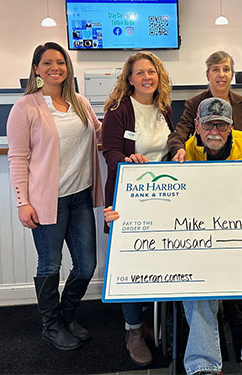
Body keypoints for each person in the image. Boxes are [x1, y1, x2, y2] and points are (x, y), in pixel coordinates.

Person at [104, 98, 242, 375]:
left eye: (222, 125)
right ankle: (203, 364)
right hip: (199, 248)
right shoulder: (181, 156)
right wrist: (124, 213)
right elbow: (157, 202)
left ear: (231, 127)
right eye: (209, 124)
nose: (215, 131)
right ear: (197, 126)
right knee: (194, 283)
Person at [6, 42, 103, 351]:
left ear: (67, 67)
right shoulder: (25, 107)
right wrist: (23, 202)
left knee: (86, 265)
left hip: (80, 196)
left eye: (60, 62)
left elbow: (101, 135)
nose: (54, 68)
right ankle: (51, 325)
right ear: (36, 69)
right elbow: (17, 157)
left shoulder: (81, 102)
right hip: (48, 200)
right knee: (50, 264)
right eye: (47, 63)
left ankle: (66, 315)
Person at [101, 51, 173, 366]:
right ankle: (133, 330)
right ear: (129, 79)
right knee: (130, 264)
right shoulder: (118, 111)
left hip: (164, 197)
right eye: (140, 72)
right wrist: (127, 161)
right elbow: (111, 152)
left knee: (159, 258)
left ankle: (155, 318)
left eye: (152, 72)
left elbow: (171, 145)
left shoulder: (164, 109)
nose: (147, 77)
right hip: (129, 196)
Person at [167, 50, 242, 163]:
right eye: (215, 69)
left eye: (226, 69)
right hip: (205, 164)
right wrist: (178, 149)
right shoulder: (194, 103)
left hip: (238, 165)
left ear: (232, 75)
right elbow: (179, 134)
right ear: (208, 75)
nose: (221, 74)